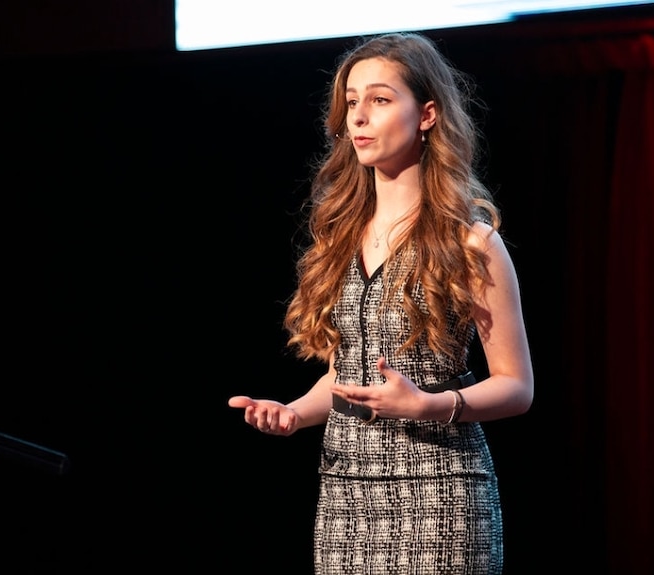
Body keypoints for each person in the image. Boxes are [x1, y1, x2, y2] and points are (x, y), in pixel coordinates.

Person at [228, 31, 533, 574]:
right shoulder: (338, 238)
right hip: (346, 491)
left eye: (380, 99)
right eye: (351, 103)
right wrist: (294, 413)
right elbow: (348, 376)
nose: (358, 118)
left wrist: (430, 405)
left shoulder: (471, 241)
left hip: (441, 487)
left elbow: (516, 385)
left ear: (427, 115)